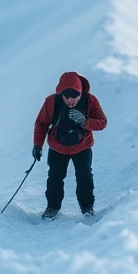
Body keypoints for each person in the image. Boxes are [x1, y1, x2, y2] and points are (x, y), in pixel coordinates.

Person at [32, 71, 107, 219]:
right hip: (57, 146)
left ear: (80, 93)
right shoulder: (52, 102)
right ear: (61, 94)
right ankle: (52, 208)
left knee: (84, 176)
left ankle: (87, 208)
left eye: (75, 97)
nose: (71, 101)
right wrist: (37, 146)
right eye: (67, 98)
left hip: (82, 146)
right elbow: (41, 123)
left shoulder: (90, 101)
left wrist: (85, 122)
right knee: (54, 177)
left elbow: (102, 122)